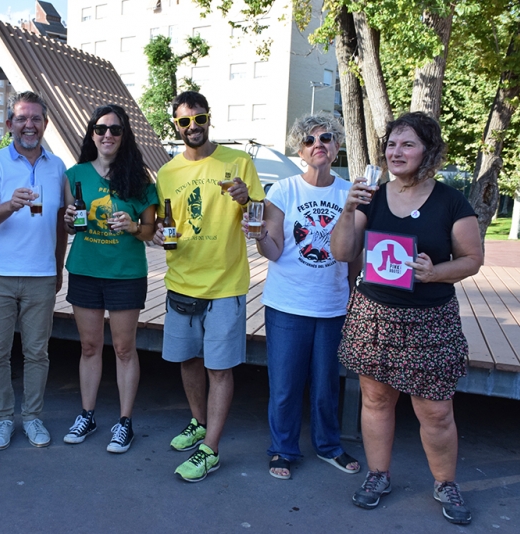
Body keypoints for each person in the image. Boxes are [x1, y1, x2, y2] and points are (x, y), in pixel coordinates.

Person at [331, 112, 482, 525]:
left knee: (435, 410)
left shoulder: (451, 201)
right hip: (374, 314)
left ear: (427, 151)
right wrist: (347, 210)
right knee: (376, 400)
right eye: (392, 145)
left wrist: (435, 272)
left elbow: (472, 260)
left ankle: (445, 482)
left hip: (430, 319)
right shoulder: (372, 196)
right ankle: (378, 475)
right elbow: (343, 252)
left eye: (408, 144)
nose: (396, 152)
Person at [152, 91, 265, 482]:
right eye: (185, 122)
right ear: (176, 126)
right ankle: (199, 423)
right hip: (181, 280)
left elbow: (259, 218)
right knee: (187, 360)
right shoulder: (167, 173)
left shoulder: (238, 162)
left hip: (225, 283)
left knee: (219, 368)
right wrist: (159, 235)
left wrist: (246, 197)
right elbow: (165, 225)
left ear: (208, 119)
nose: (193, 127)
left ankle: (211, 448)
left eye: (199, 119)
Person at [247, 114, 361, 480]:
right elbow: (275, 250)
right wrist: (259, 236)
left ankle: (328, 446)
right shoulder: (283, 190)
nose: (319, 145)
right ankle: (282, 450)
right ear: (300, 150)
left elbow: (354, 253)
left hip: (332, 305)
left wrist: (354, 293)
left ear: (337, 146)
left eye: (326, 138)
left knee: (327, 384)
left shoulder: (350, 193)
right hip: (287, 304)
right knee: (285, 384)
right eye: (310, 141)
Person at [61, 104, 158, 453]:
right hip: (86, 269)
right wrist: (70, 220)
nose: (108, 135)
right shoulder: (75, 175)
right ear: (92, 134)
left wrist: (133, 226)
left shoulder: (140, 179)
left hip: (125, 274)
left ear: (124, 136)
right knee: (88, 347)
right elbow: (71, 225)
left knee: (123, 348)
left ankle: (125, 422)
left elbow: (150, 231)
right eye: (101, 129)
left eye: (115, 130)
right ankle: (87, 414)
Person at [0, 91, 67, 450]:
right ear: (9, 124)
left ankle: (31, 417)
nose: (29, 124)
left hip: (41, 274)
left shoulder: (57, 165)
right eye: (22, 118)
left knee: (37, 353)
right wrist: (10, 205)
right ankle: (2, 418)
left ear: (45, 123)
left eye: (36, 118)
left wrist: (57, 269)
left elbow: (62, 223)